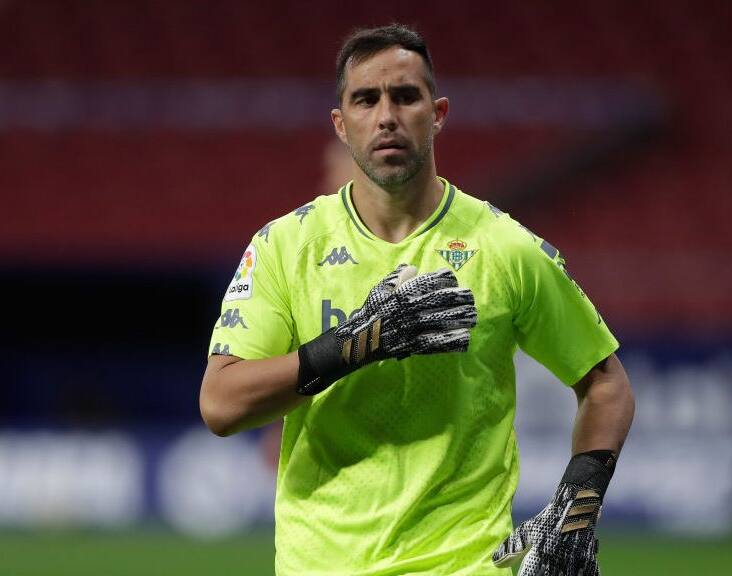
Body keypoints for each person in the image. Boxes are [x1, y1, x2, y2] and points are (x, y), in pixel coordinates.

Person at [200, 24, 634, 576]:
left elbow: (605, 383)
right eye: (365, 99)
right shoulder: (286, 248)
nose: (386, 116)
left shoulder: (504, 249)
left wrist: (579, 507)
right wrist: (355, 345)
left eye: (405, 96)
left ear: (438, 113)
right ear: (341, 123)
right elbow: (221, 404)